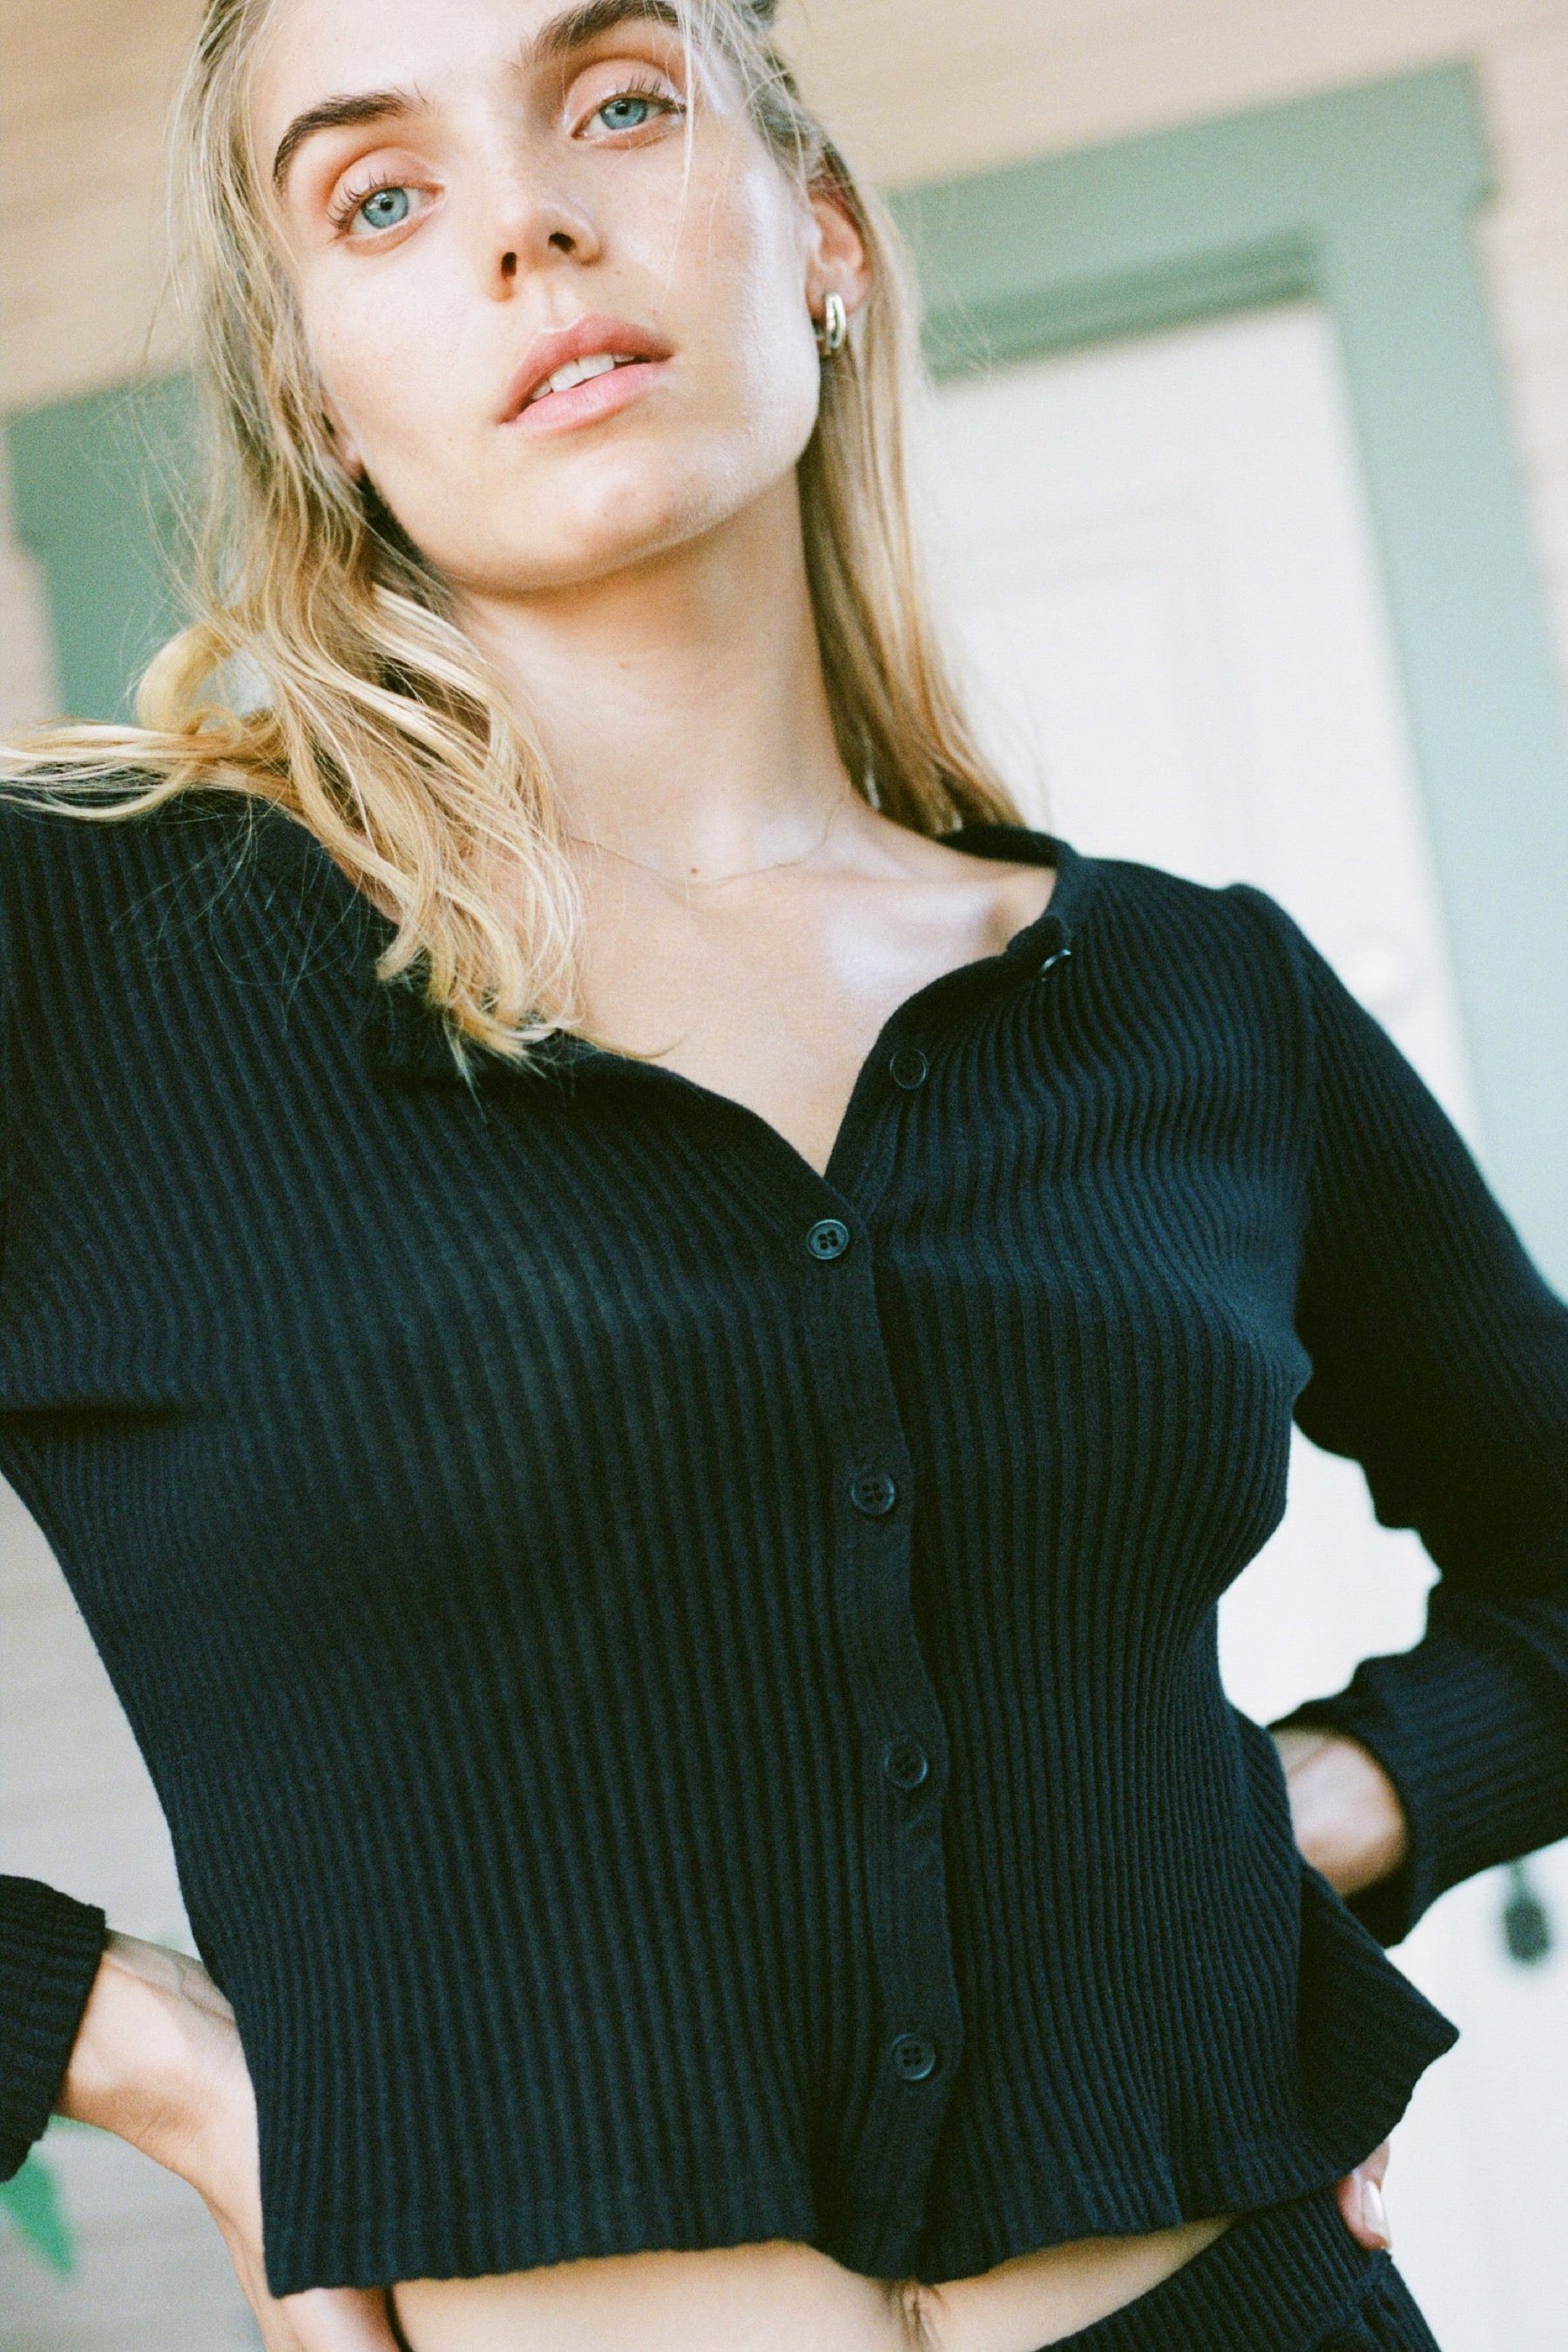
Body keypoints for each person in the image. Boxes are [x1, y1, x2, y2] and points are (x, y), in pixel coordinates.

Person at [3, 0, 1565, 2345]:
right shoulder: (79, 957)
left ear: (820, 234)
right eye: (383, 196)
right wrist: (145, 2053)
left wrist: (1339, 1803)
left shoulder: (1191, 1001)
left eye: (620, 102)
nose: (529, 225)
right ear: (315, 394)